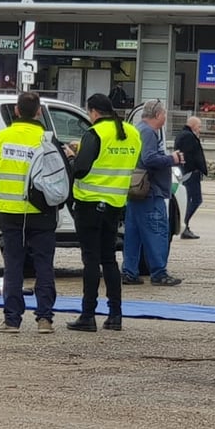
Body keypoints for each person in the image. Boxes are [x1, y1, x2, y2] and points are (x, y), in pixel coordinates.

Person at [0, 91, 70, 334]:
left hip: (10, 213)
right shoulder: (46, 139)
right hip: (42, 214)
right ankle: (45, 319)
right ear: (39, 111)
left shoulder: (0, 138)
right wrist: (55, 205)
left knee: (13, 266)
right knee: (44, 265)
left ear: (17, 111)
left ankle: (12, 320)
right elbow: (63, 179)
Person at [68, 94, 140, 332]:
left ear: (94, 112)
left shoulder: (94, 133)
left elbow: (80, 170)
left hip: (89, 204)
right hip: (115, 205)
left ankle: (88, 315)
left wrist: (72, 156)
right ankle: (115, 314)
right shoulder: (132, 133)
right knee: (109, 259)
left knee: (90, 260)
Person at [121, 99, 184, 286]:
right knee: (157, 231)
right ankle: (159, 272)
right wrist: (171, 159)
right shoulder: (149, 132)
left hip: (136, 190)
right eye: (164, 113)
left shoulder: (137, 129)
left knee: (134, 234)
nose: (165, 116)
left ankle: (129, 271)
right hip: (150, 190)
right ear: (157, 115)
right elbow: (149, 159)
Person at [174, 116, 208, 240]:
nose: (200, 129)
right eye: (199, 126)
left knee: (192, 199)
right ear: (193, 126)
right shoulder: (188, 137)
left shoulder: (183, 135)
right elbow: (189, 155)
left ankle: (185, 226)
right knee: (195, 199)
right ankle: (184, 225)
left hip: (187, 173)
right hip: (190, 173)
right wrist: (195, 168)